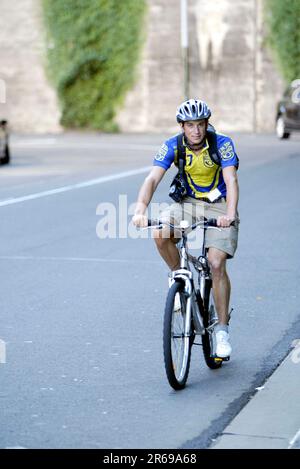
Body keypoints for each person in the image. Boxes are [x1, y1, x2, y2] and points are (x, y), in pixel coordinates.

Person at [132, 99, 239, 358]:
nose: (196, 130)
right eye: (190, 125)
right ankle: (178, 276)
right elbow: (153, 177)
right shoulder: (173, 145)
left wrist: (230, 214)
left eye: (200, 124)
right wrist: (140, 209)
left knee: (215, 263)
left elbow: (231, 179)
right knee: (160, 232)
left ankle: (222, 332)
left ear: (207, 124)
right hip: (187, 204)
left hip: (219, 205)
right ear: (182, 126)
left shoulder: (222, 144)